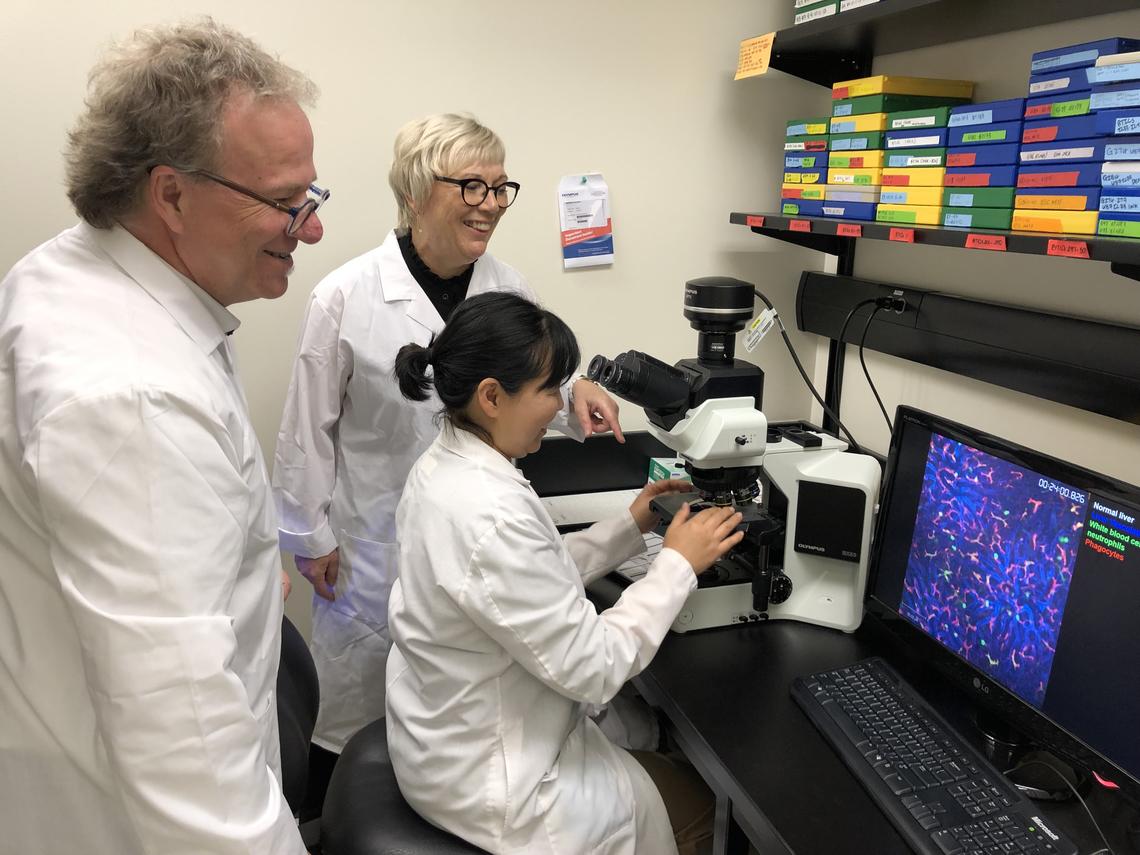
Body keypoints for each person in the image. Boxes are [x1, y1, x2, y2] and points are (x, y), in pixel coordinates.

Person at [0, 19, 325, 854]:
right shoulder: (129, 396)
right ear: (171, 194)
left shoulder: (72, 273)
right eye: (288, 202)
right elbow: (193, 773)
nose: (311, 229)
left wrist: (242, 560)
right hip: (123, 813)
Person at [272, 113, 623, 756]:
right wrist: (310, 536)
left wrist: (577, 396)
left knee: (463, 724)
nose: (490, 206)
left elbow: (526, 380)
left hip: (470, 535)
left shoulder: (508, 287)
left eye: (499, 188)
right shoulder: (344, 296)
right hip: (374, 546)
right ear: (413, 191)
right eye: (471, 187)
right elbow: (306, 429)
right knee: (357, 727)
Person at [386, 291, 743, 855]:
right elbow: (595, 667)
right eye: (549, 389)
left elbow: (534, 574)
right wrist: (678, 565)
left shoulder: (445, 466)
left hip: (447, 736)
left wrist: (634, 523)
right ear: (492, 397)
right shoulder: (488, 511)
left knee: (652, 745)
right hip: (498, 782)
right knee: (709, 808)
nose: (560, 406)